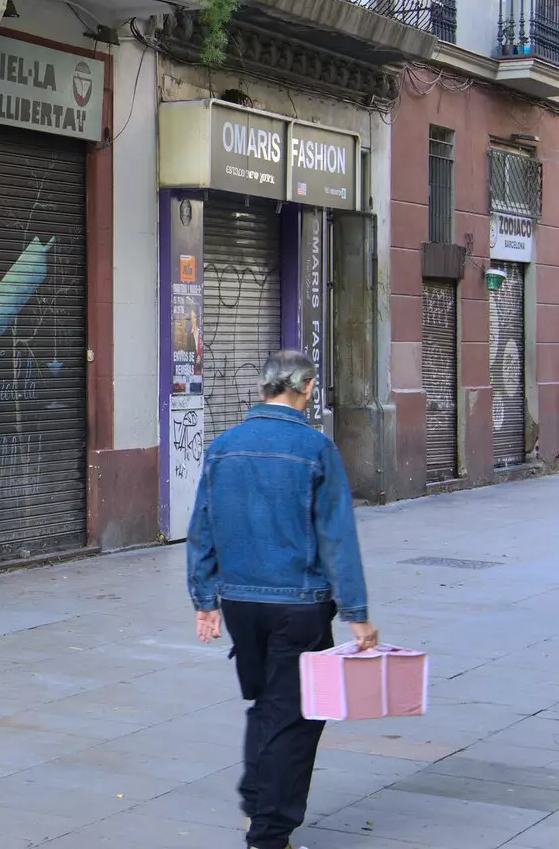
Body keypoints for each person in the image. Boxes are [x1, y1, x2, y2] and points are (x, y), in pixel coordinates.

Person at [187, 350, 379, 849]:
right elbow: (337, 536)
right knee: (295, 717)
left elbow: (202, 527)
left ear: (262, 389)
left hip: (241, 605)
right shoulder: (316, 449)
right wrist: (357, 614)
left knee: (266, 702)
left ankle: (257, 797)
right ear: (308, 388)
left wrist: (205, 599)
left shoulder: (223, 447)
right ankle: (269, 832)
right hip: (300, 604)